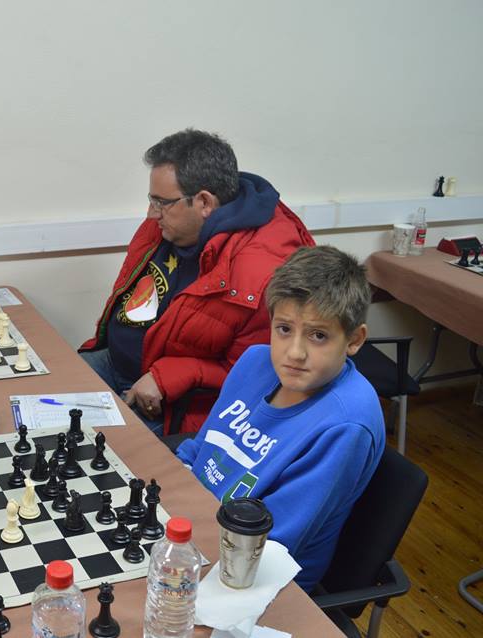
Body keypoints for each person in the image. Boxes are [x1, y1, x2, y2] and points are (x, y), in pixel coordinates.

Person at [175, 246, 386, 590]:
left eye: (318, 335)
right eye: (284, 329)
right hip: (193, 524)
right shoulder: (254, 362)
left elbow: (275, 543)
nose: (295, 353)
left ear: (354, 339)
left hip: (255, 575)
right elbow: (198, 451)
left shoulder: (347, 424)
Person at [79, 129, 314, 435]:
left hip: (172, 406)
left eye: (161, 202)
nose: (151, 214)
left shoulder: (262, 273)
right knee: (39, 394)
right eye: (152, 200)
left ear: (204, 202)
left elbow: (258, 377)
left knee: (83, 446)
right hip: (114, 362)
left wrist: (170, 376)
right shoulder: (168, 224)